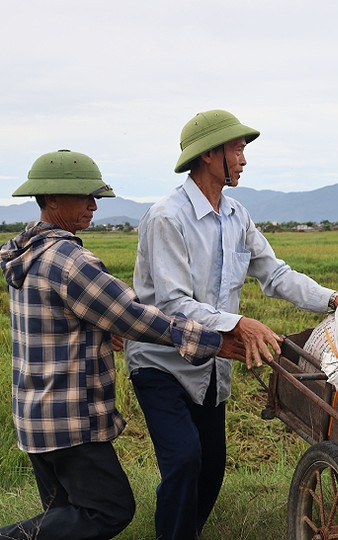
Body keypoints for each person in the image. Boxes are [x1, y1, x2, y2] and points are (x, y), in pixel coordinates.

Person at [124, 109, 338, 540]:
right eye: (238, 148)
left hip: (211, 365)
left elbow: (275, 274)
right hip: (161, 360)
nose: (244, 159)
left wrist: (334, 299)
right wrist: (239, 322)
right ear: (209, 155)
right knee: (185, 459)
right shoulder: (167, 216)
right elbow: (173, 303)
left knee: (211, 468)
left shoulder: (237, 216)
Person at [0, 150, 240, 540]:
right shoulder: (69, 260)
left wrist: (99, 328)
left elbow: (69, 318)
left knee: (62, 519)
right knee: (109, 509)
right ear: (51, 200)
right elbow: (133, 315)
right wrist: (213, 341)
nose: (94, 206)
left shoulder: (27, 255)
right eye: (85, 197)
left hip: (35, 417)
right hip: (69, 421)